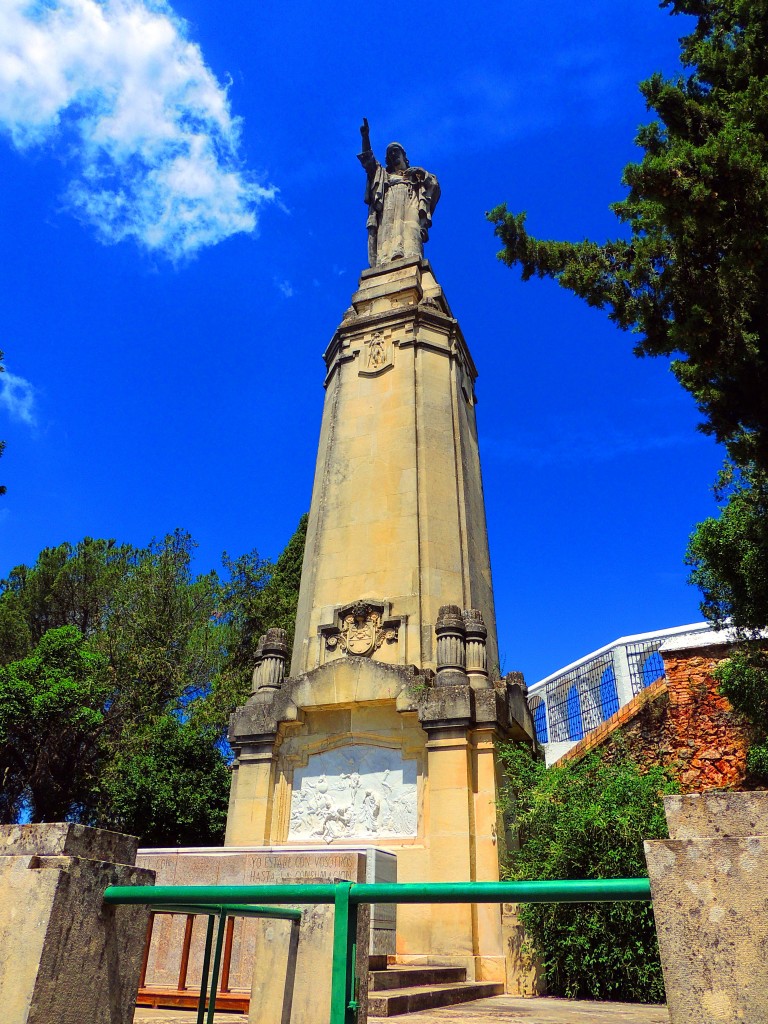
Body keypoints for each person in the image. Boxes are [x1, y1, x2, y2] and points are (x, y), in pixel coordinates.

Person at [358, 118, 440, 268]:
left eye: (396, 151)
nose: (393, 154)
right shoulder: (384, 175)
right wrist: (365, 137)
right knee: (387, 235)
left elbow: (434, 186)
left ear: (403, 155)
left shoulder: (416, 177)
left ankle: (411, 260)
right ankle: (385, 265)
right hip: (389, 203)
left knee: (411, 233)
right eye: (390, 153)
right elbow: (369, 162)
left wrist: (420, 172)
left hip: (410, 202)